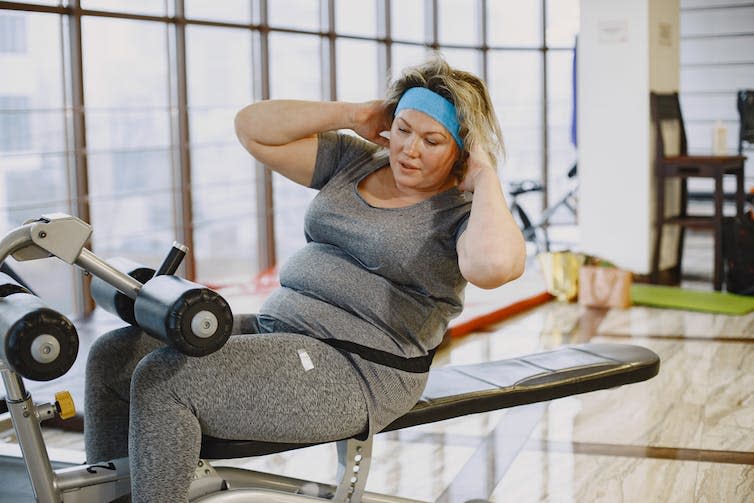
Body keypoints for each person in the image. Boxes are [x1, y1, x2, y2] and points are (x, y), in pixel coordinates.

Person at [84, 54, 525, 503]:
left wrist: (486, 177)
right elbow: (251, 127)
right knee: (113, 356)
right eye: (404, 129)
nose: (409, 149)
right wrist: (352, 115)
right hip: (278, 331)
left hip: (357, 365)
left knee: (167, 379)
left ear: (461, 150)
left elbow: (494, 268)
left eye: (432, 140)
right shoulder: (358, 161)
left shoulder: (460, 211)